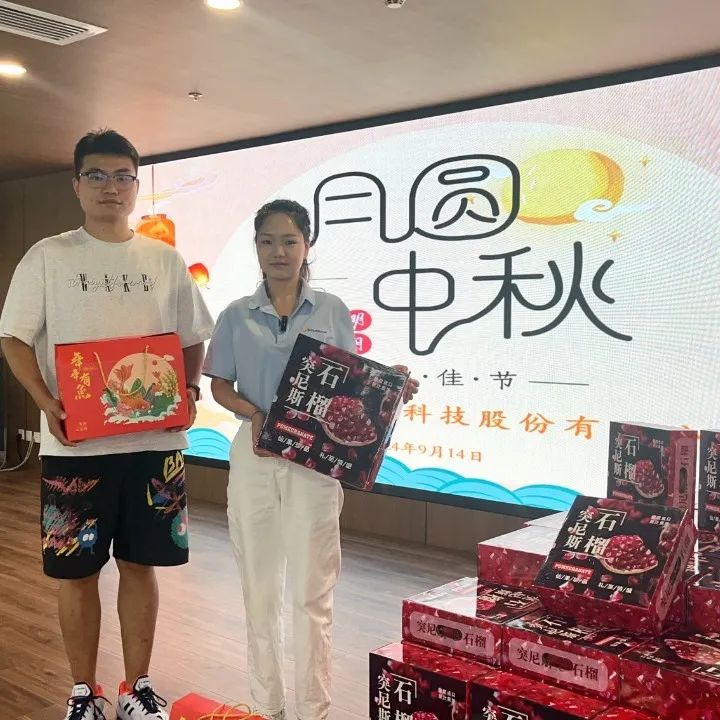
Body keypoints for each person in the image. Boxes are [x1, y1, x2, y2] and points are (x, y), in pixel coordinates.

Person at [0, 130, 214, 720]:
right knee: (76, 570)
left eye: (123, 176)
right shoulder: (49, 256)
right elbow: (13, 338)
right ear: (76, 185)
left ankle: (135, 687)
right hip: (75, 448)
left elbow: (192, 336)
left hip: (155, 445)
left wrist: (190, 389)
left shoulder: (164, 260)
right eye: (96, 175)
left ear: (136, 187)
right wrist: (46, 400)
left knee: (142, 564)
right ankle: (83, 691)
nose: (110, 187)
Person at [203, 199, 419, 720]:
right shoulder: (236, 314)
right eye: (267, 241)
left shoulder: (332, 311)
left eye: (289, 241)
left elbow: (349, 383)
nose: (278, 251)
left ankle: (313, 711)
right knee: (259, 590)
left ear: (307, 245)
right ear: (256, 247)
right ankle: (267, 708)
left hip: (315, 465)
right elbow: (219, 386)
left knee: (312, 594)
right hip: (255, 456)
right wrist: (254, 414)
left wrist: (390, 385)